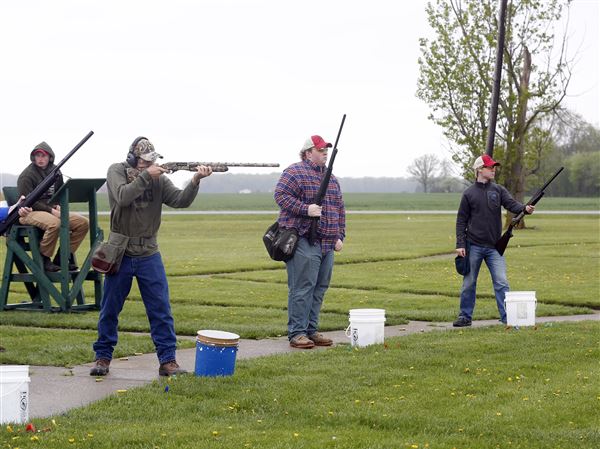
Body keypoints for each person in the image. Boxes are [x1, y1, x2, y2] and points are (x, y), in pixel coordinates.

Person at [90, 136, 212, 377]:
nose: (148, 166)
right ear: (133, 159)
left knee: (160, 309)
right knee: (110, 308)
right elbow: (123, 196)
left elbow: (180, 200)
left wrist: (196, 180)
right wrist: (147, 176)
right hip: (120, 252)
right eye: (144, 162)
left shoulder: (158, 180)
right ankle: (102, 358)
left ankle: (168, 360)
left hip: (148, 253)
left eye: (150, 162)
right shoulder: (117, 171)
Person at [274, 135, 345, 349]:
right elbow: (280, 195)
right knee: (302, 287)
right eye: (320, 149)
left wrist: (340, 235)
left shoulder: (331, 178)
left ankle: (311, 330)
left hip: (327, 243)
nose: (325, 153)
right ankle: (297, 333)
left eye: (326, 150)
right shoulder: (294, 172)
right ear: (308, 152)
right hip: (304, 239)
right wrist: (306, 209)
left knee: (320, 287)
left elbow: (339, 208)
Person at [453, 154, 534, 327]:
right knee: (468, 283)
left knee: (501, 282)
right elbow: (461, 221)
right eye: (490, 167)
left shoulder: (498, 190)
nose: (493, 170)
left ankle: (507, 318)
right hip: (473, 245)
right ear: (479, 170)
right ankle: (465, 317)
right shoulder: (468, 194)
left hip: (495, 247)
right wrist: (460, 244)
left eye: (494, 167)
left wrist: (525, 209)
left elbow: (512, 205)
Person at [17, 142, 90, 272]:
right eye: (37, 156)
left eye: (43, 156)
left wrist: (59, 206)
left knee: (82, 223)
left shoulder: (55, 171)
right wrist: (51, 210)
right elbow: (27, 202)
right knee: (55, 224)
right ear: (33, 157)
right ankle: (44, 259)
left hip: (51, 210)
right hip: (29, 212)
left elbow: (60, 193)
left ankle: (62, 258)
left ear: (50, 157)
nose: (40, 159)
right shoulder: (27, 175)